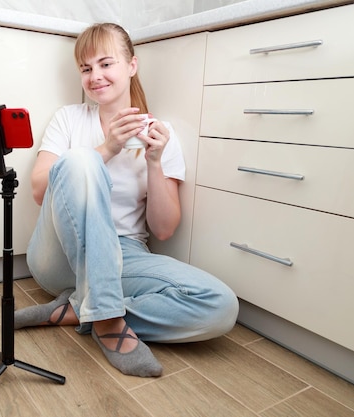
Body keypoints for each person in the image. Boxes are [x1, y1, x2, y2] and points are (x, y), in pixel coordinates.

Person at [15, 22, 238, 377]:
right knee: (80, 159)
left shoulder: (159, 134)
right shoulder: (69, 118)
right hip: (58, 255)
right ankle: (106, 321)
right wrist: (106, 149)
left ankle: (78, 308)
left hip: (125, 254)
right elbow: (41, 191)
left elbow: (163, 230)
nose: (95, 76)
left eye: (106, 64)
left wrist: (154, 162)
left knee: (220, 306)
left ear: (131, 66)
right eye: (86, 69)